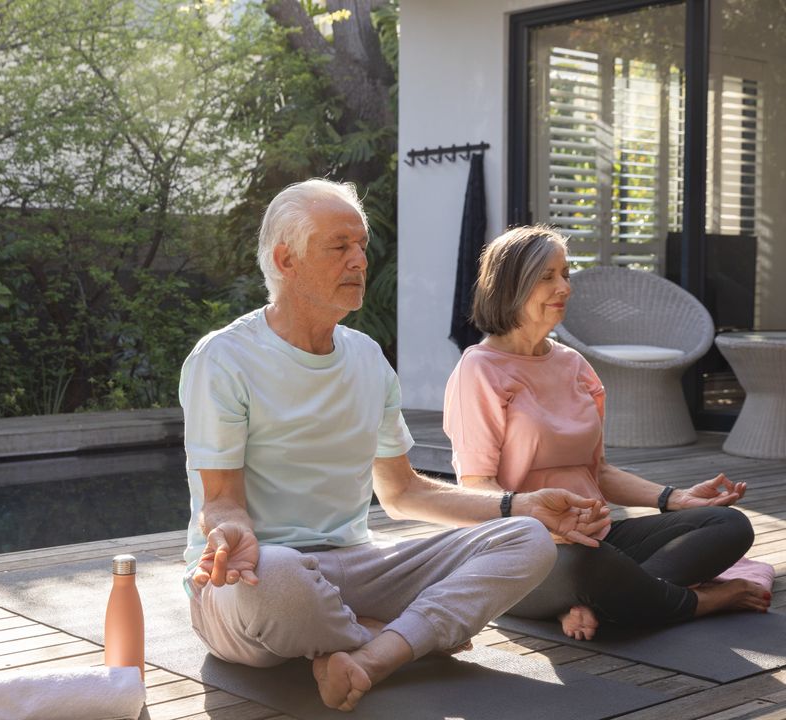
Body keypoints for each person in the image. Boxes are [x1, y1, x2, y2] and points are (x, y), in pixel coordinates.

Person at [178, 180, 610, 712]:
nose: (360, 260)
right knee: (282, 575)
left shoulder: (366, 358)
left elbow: (403, 492)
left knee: (527, 539)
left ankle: (370, 652)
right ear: (286, 260)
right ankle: (402, 639)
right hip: (251, 580)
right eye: (340, 247)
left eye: (362, 245)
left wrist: (519, 505)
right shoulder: (222, 358)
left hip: (354, 566)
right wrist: (232, 534)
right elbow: (221, 499)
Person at [443, 224, 771, 642]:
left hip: (599, 539)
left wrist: (674, 499)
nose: (564, 286)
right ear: (509, 286)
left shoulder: (574, 365)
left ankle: (599, 601)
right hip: (526, 550)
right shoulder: (479, 370)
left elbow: (598, 470)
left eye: (564, 273)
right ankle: (701, 601)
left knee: (729, 525)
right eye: (547, 276)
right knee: (588, 566)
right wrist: (547, 527)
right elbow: (476, 487)